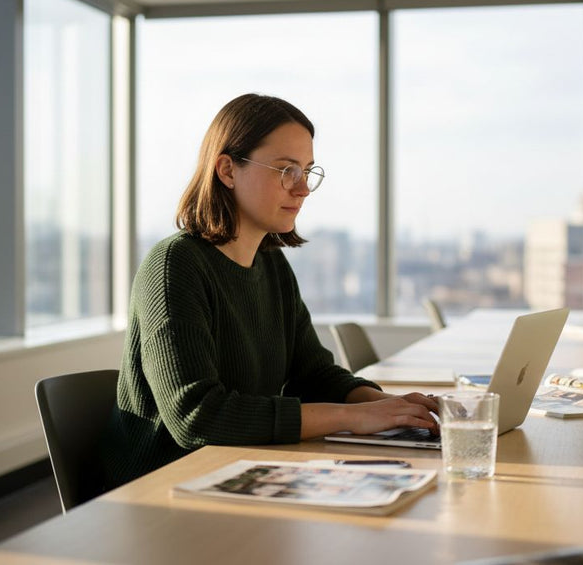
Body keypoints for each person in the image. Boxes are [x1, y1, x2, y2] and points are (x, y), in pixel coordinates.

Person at [105, 93, 439, 487]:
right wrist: (352, 417)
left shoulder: (272, 265)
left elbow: (312, 374)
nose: (303, 189)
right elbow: (197, 417)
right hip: (162, 489)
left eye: (308, 171)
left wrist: (395, 407)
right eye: (286, 170)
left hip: (243, 473)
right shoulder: (174, 266)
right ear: (228, 170)